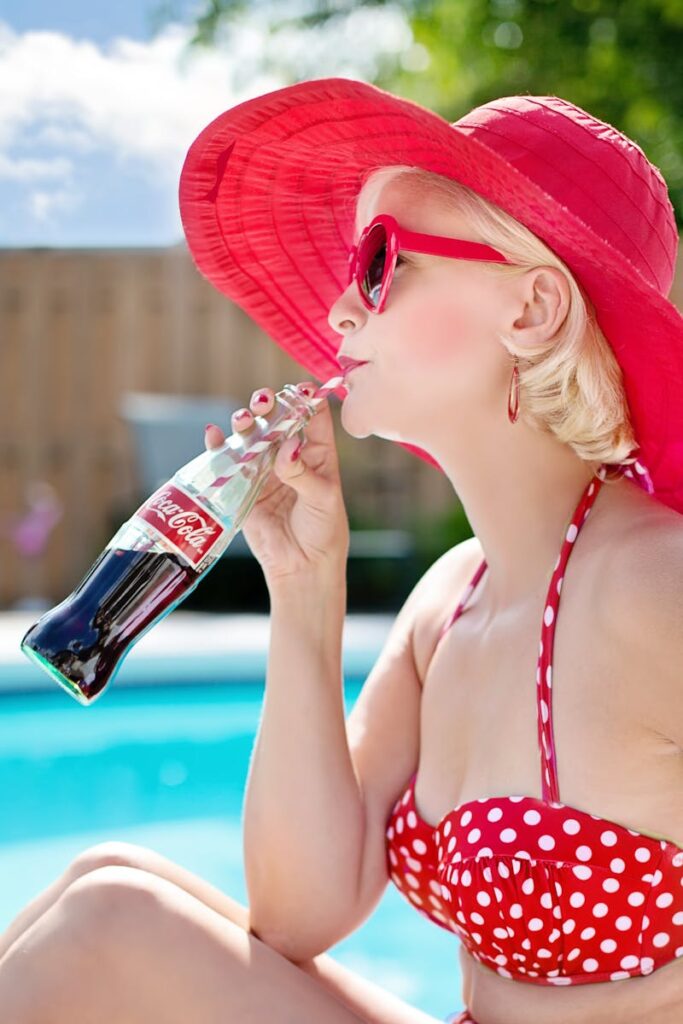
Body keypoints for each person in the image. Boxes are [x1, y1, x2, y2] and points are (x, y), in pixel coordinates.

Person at [0, 80, 681, 1024]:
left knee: (111, 923)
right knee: (103, 877)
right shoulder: (449, 605)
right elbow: (297, 913)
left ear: (530, 309)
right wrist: (305, 585)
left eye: (377, 263)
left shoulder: (658, 585)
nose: (337, 310)